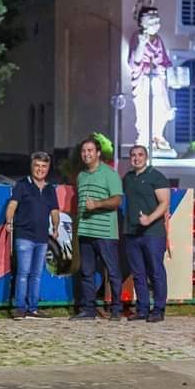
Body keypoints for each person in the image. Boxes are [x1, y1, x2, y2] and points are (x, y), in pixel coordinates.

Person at [71, 137, 124, 321]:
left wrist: (98, 204)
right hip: (85, 231)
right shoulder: (81, 176)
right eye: (83, 151)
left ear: (98, 153)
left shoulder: (110, 174)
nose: (86, 154)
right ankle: (89, 310)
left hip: (105, 233)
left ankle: (116, 309)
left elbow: (117, 200)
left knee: (112, 271)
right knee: (86, 273)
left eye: (90, 150)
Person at [5, 152, 60, 319]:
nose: (40, 169)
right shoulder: (22, 185)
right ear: (32, 166)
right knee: (23, 273)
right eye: (37, 165)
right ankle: (20, 308)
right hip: (24, 236)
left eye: (44, 166)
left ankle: (33, 308)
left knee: (36, 274)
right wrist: (8, 222)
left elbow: (55, 211)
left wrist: (56, 227)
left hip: (42, 238)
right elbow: (12, 205)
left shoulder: (50, 189)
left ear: (48, 168)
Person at [122, 145, 170, 323]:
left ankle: (158, 309)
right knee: (138, 273)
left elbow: (164, 202)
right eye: (133, 155)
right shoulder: (128, 178)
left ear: (146, 157)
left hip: (153, 233)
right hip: (132, 232)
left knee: (156, 271)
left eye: (140, 155)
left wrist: (150, 219)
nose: (136, 158)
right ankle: (142, 309)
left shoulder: (156, 177)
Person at [129, 0, 174, 152]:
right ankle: (145, 137)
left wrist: (164, 70)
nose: (156, 25)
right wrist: (141, 45)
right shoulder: (138, 38)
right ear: (143, 23)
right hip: (144, 79)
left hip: (157, 80)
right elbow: (135, 61)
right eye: (152, 22)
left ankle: (158, 136)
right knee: (145, 108)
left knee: (160, 108)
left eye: (157, 22)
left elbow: (164, 60)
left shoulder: (158, 40)